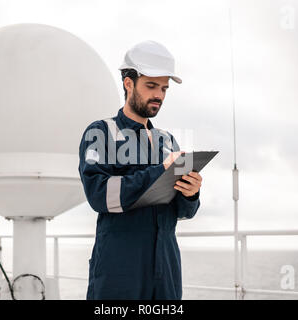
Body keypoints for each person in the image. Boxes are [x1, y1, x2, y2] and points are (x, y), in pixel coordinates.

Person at [78, 40, 203, 300]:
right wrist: (160, 172)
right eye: (151, 86)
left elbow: (182, 212)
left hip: (166, 269)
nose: (159, 94)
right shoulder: (100, 132)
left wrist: (190, 194)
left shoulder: (167, 140)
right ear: (128, 83)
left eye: (164, 88)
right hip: (120, 270)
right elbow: (100, 195)